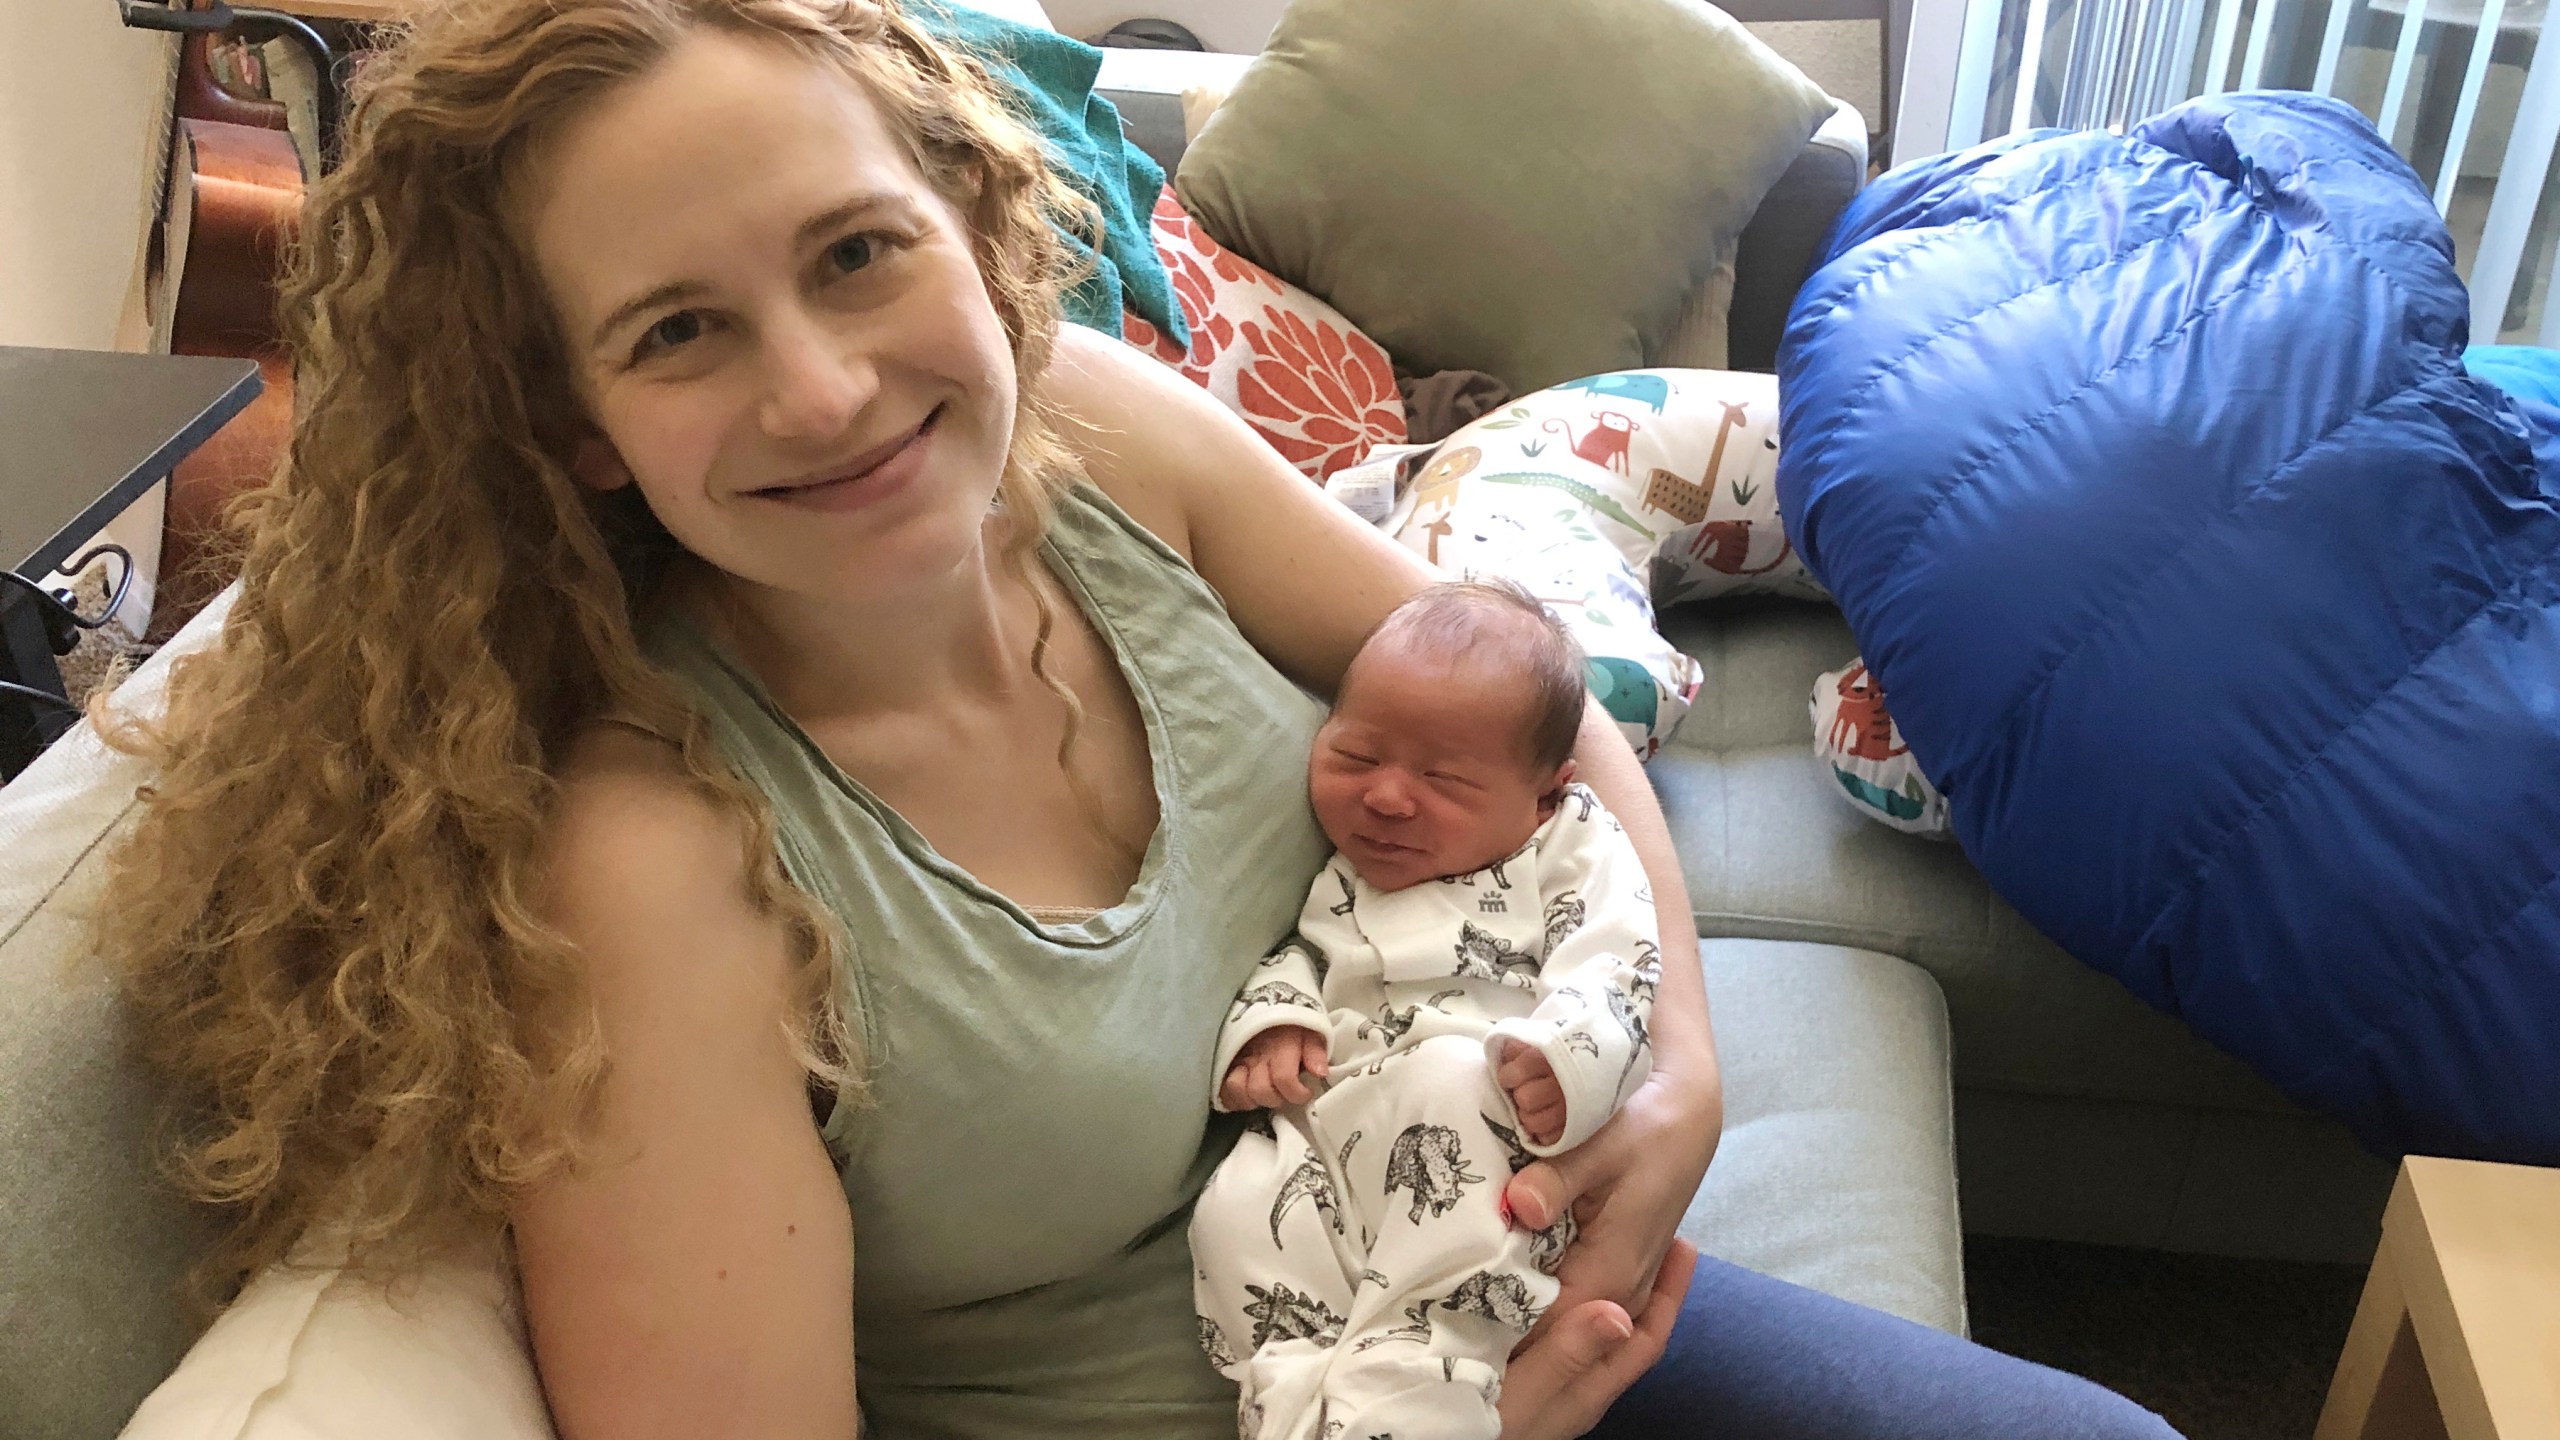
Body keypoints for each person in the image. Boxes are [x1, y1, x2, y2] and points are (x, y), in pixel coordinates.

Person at [90, 1, 2185, 1437]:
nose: (823, 388)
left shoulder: (1089, 431)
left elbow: (1545, 715)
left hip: (1507, 1307)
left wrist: (1688, 1082)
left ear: (971, 232)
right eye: (679, 331)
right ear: (577, 430)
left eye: (852, 253)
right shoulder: (658, 864)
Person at [1193, 580, 1663, 1440]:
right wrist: (1277, 1021)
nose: (1387, 798)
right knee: (1237, 1201)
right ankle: (1292, 1394)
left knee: (1453, 1083)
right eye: (1356, 756)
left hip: (1482, 1136)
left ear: (1545, 794)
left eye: (1444, 779)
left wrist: (1565, 1062)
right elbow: (1302, 954)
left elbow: (1621, 962)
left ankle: (1414, 1391)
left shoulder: (1569, 844)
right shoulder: (1346, 871)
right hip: (1335, 1131)